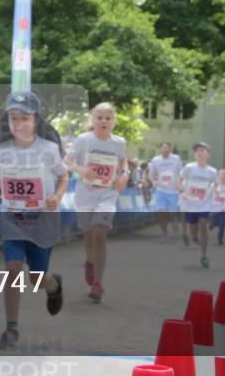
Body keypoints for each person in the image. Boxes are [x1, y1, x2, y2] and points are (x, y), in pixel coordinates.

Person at [0, 91, 68, 350]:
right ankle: (11, 329)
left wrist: (57, 197)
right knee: (13, 270)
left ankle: (53, 285)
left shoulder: (48, 149)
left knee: (37, 279)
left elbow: (64, 177)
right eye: (13, 118)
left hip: (42, 222)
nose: (18, 124)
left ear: (36, 120)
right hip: (13, 220)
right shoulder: (1, 152)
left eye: (24, 118)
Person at [65, 102, 128, 302]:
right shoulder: (83, 140)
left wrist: (124, 175)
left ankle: (98, 284)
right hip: (85, 193)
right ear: (93, 120)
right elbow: (68, 161)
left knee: (100, 232)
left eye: (108, 118)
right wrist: (83, 171)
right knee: (89, 234)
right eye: (99, 117)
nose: (103, 121)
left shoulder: (119, 142)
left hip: (107, 193)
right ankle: (90, 261)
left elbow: (123, 162)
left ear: (113, 122)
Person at [179, 142, 218, 268]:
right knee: (193, 229)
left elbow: (216, 184)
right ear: (195, 155)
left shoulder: (212, 171)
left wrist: (215, 192)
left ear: (209, 154)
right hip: (190, 203)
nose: (199, 153)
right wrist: (182, 192)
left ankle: (204, 256)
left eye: (202, 150)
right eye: (197, 151)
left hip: (204, 204)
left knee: (203, 225)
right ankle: (194, 237)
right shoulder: (189, 168)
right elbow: (179, 179)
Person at [148, 141, 182, 242]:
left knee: (171, 213)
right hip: (161, 190)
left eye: (167, 148)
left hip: (173, 191)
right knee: (162, 212)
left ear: (170, 150)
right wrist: (153, 181)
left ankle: (174, 220)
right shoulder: (156, 160)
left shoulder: (176, 159)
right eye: (163, 148)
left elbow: (181, 173)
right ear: (161, 149)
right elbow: (150, 174)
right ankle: (164, 234)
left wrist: (180, 185)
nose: (165, 150)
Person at [209, 169, 225, 246]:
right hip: (213, 208)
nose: (223, 177)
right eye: (221, 175)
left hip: (222, 209)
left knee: (222, 224)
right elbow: (208, 194)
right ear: (218, 176)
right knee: (214, 222)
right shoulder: (214, 185)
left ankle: (220, 238)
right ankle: (212, 224)